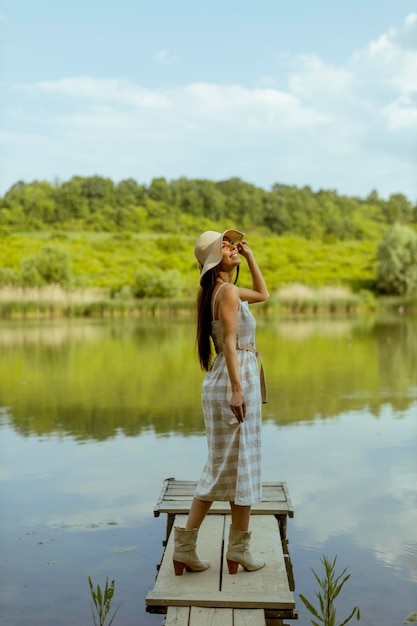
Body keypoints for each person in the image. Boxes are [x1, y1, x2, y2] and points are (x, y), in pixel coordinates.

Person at [172, 229, 269, 576]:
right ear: (214, 260)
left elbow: (262, 292)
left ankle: (194, 549)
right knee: (232, 467)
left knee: (226, 468)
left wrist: (252, 257)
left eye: (232, 244)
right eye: (224, 246)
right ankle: (233, 551)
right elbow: (229, 342)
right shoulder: (226, 291)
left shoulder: (222, 291)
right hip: (233, 377)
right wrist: (238, 389)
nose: (232, 248)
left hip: (225, 378)